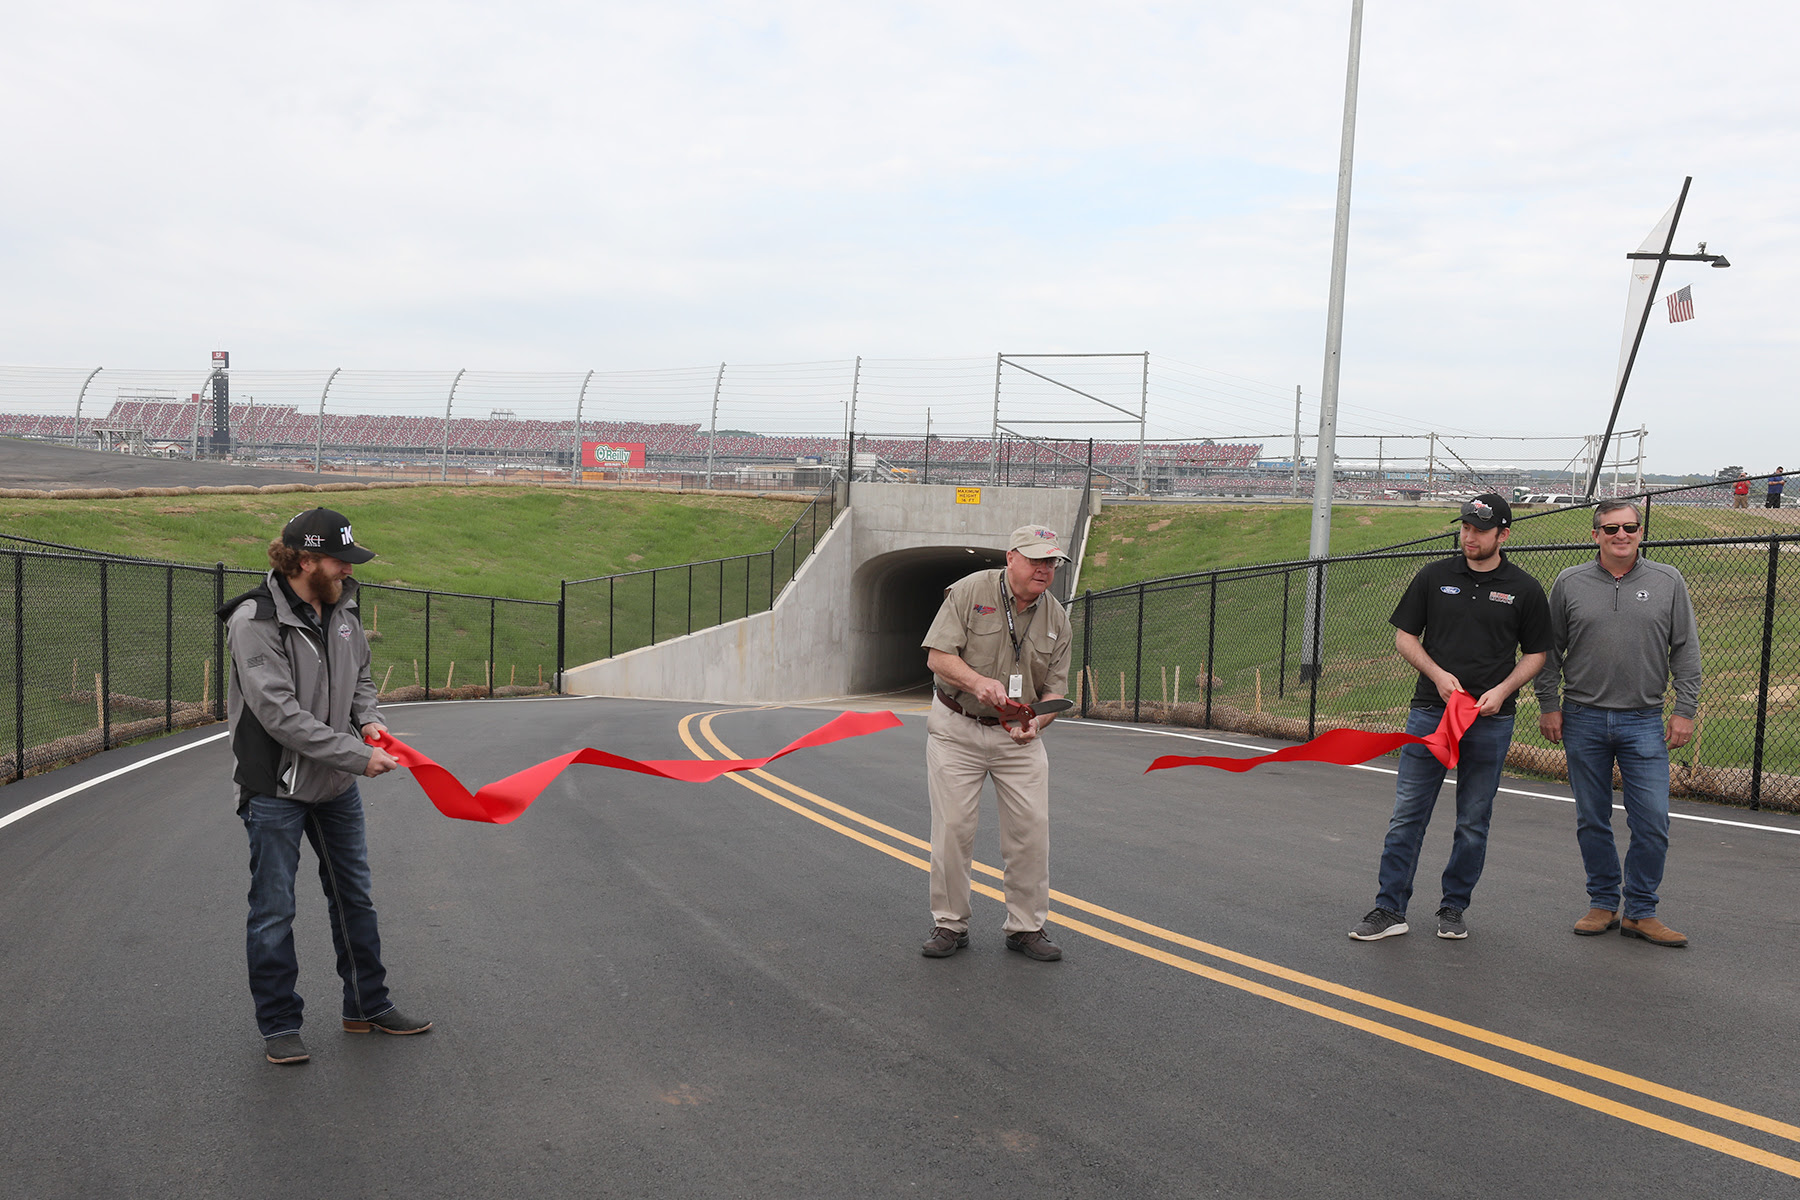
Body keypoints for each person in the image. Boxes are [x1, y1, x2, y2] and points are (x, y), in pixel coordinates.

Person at [219, 507, 431, 1065]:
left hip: (335, 784)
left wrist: (369, 720)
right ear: (305, 559)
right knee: (274, 909)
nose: (346, 568)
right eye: (339, 559)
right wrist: (360, 757)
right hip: (276, 789)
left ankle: (366, 1005)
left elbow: (359, 674)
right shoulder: (253, 620)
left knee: (353, 896)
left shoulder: (342, 606)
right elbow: (280, 715)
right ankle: (280, 1026)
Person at [1350, 493, 1551, 942]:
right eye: (1465, 528)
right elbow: (1405, 638)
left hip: (1490, 719)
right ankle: (1389, 909)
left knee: (1473, 821)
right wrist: (1439, 676)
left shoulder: (1524, 588)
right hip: (1429, 713)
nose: (1469, 536)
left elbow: (1537, 654)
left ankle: (1453, 908)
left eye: (1480, 530)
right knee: (1407, 815)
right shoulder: (1434, 576)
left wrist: (1501, 692)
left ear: (1503, 534)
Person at [1533, 500, 1702, 948]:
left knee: (1652, 822)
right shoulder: (1569, 583)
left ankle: (1641, 911)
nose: (1620, 535)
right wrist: (1549, 704)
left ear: (1641, 531)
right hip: (1582, 718)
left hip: (1644, 721)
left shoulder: (1668, 581)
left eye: (1629, 526)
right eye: (1611, 528)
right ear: (1596, 535)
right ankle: (1604, 902)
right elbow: (1549, 652)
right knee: (1592, 817)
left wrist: (1685, 710)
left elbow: (1685, 650)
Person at [919, 525, 1073, 961]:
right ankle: (949, 924)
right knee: (953, 830)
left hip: (1017, 739)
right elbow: (938, 656)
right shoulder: (970, 592)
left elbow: (1054, 693)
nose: (1045, 569)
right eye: (1036, 560)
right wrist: (976, 681)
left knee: (1030, 833)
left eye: (1051, 563)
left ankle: (1026, 927)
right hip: (958, 727)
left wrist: (1036, 726)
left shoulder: (1057, 618)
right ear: (1011, 558)